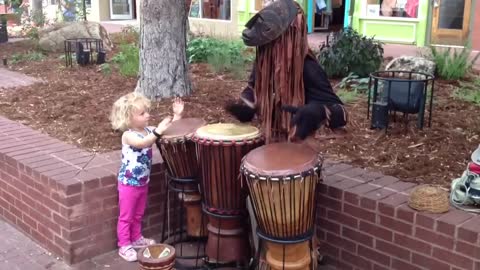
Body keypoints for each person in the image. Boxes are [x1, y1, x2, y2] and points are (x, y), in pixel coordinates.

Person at [225, 0, 347, 144]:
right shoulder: (264, 64)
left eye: (270, 45)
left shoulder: (308, 68)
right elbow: (253, 87)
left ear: (288, 38)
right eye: (263, 47)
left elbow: (342, 114)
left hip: (299, 149)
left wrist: (318, 111)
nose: (264, 51)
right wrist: (246, 104)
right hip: (270, 143)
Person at [109, 92, 184, 262]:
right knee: (126, 216)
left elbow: (167, 130)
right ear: (129, 118)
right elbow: (144, 143)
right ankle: (124, 245)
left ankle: (136, 238)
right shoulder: (128, 135)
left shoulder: (149, 130)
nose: (148, 115)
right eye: (142, 113)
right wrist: (158, 131)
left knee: (138, 214)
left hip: (143, 182)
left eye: (147, 112)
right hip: (128, 184)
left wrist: (177, 115)